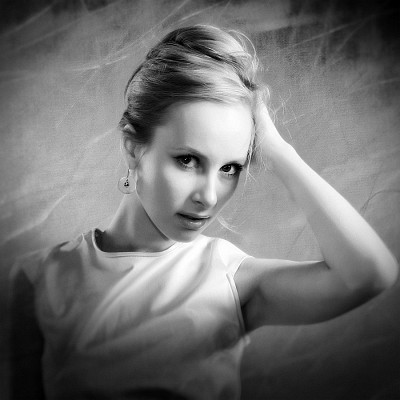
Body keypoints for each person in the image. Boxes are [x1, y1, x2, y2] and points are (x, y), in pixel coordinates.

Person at [8, 24, 398, 400]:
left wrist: (279, 151)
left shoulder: (231, 279)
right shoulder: (37, 277)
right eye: (188, 160)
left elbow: (369, 274)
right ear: (133, 149)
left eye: (230, 168)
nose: (209, 196)